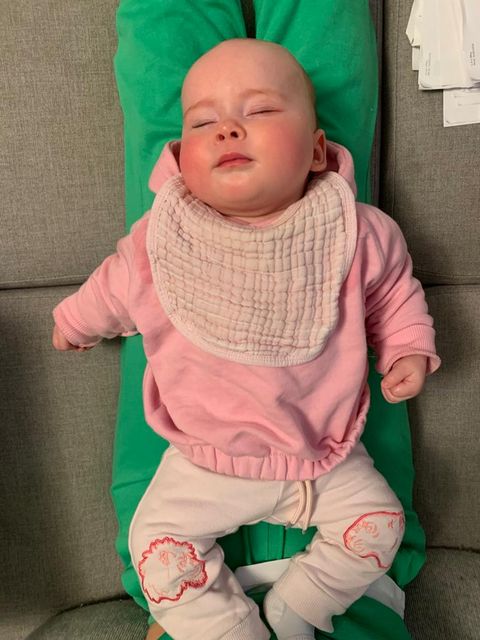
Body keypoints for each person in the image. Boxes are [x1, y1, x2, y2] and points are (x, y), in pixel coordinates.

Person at [52, 39, 440, 640]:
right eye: (203, 122)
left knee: (380, 523)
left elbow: (394, 292)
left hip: (322, 454)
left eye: (259, 111)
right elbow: (112, 285)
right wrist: (74, 322)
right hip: (207, 458)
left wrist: (407, 346)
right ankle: (226, 629)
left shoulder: (357, 233)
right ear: (180, 157)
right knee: (157, 544)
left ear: (317, 151)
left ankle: (302, 602)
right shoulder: (161, 239)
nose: (228, 129)